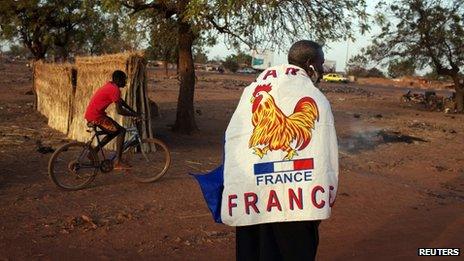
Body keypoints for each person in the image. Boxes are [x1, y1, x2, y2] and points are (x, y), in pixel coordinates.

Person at [194, 40, 338, 261]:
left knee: (256, 249)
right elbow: (323, 156)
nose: (321, 70)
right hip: (296, 205)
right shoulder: (315, 97)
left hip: (255, 194)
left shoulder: (250, 90)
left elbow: (234, 139)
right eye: (320, 63)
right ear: (309, 64)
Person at [84, 70, 140, 170]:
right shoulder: (114, 90)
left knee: (113, 131)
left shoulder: (111, 87)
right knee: (121, 131)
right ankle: (117, 162)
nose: (125, 82)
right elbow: (119, 110)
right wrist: (133, 114)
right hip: (96, 117)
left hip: (95, 114)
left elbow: (121, 102)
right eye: (124, 79)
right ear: (118, 80)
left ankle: (93, 153)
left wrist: (133, 111)